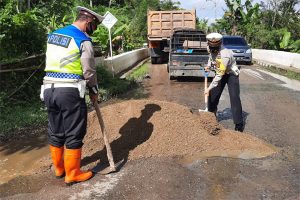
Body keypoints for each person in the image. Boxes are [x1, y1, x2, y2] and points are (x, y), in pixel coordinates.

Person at [40, 6, 104, 185]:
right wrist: (94, 91)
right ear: (89, 21)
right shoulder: (83, 40)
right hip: (69, 91)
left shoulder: (54, 35)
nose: (93, 30)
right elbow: (89, 70)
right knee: (74, 131)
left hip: (48, 89)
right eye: (94, 26)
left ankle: (59, 169)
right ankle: (73, 173)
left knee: (56, 130)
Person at [204, 32, 244, 132]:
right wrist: (209, 66)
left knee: (234, 97)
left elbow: (219, 75)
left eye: (215, 46)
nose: (212, 48)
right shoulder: (210, 47)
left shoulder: (225, 54)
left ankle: (239, 124)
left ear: (220, 44)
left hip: (231, 74)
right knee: (213, 95)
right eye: (211, 45)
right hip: (221, 71)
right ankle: (211, 116)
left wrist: (208, 88)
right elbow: (211, 57)